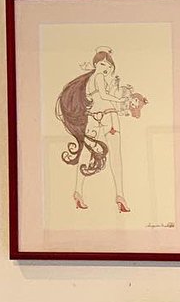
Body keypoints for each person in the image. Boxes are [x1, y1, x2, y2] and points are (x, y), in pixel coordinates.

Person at [55, 47, 147, 212]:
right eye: (103, 64)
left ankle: (78, 191)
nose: (106, 68)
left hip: (94, 118)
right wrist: (121, 100)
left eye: (109, 65)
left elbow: (101, 96)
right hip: (108, 117)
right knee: (115, 156)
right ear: (96, 64)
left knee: (87, 152)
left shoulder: (91, 79)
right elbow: (104, 96)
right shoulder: (97, 77)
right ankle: (119, 195)